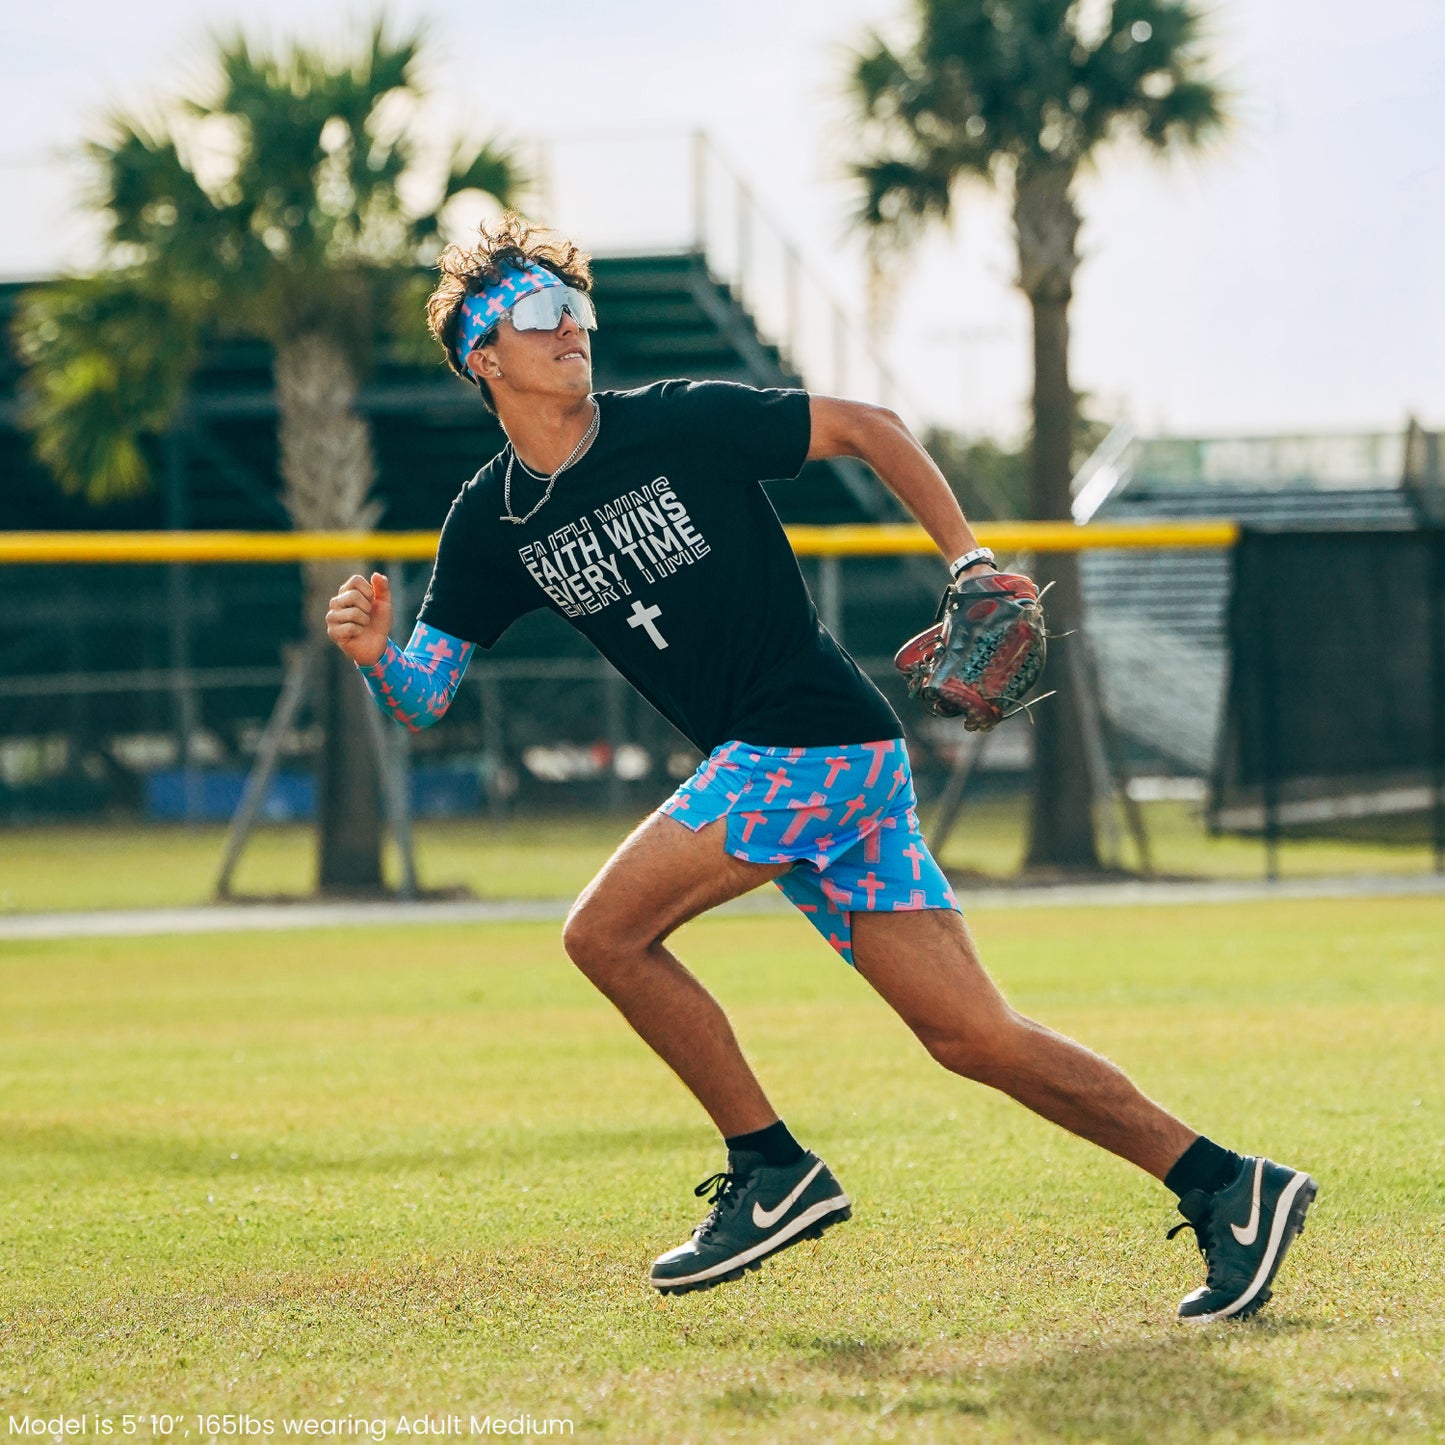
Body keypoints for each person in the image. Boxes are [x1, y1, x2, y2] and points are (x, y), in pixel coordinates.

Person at [325, 214, 1315, 1322]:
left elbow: (871, 427)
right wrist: (375, 657)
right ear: (482, 355)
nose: (572, 329)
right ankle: (1229, 1185)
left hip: (807, 738)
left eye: (578, 308)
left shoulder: (677, 422)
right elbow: (426, 692)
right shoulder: (487, 520)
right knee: (969, 1035)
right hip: (812, 762)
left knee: (602, 932)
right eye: (539, 312)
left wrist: (971, 563)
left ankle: (770, 1166)